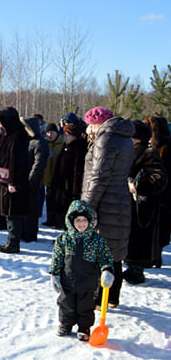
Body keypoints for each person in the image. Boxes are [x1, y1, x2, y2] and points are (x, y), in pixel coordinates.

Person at [81, 106, 134, 308]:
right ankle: (112, 296)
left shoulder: (106, 139)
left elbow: (98, 176)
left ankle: (99, 296)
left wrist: (86, 206)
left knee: (100, 249)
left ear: (97, 124)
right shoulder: (125, 137)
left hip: (104, 202)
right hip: (119, 199)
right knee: (115, 250)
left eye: (90, 126)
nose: (89, 131)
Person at [49, 200, 114, 341]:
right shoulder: (64, 239)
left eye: (84, 220)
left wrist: (107, 270)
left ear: (89, 221)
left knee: (86, 306)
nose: (81, 224)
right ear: (71, 221)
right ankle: (65, 324)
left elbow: (105, 256)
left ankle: (84, 327)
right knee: (66, 303)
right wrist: (54, 274)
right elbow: (57, 257)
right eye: (78, 220)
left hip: (88, 281)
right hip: (68, 280)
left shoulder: (96, 240)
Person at [123, 121, 167, 284]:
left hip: (142, 206)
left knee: (139, 240)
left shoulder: (149, 152)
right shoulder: (127, 150)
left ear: (138, 138)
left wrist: (138, 186)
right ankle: (131, 267)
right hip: (129, 204)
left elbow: (160, 178)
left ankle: (137, 270)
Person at [0, 107, 29, 254]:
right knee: (8, 211)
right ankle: (10, 240)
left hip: (13, 181)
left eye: (1, 121)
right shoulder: (8, 134)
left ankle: (14, 243)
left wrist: (13, 182)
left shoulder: (18, 135)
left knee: (14, 212)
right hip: (4, 179)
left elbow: (17, 161)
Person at [49, 123, 88, 229]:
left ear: (75, 136)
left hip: (70, 188)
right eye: (64, 134)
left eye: (67, 135)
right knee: (64, 213)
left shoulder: (79, 148)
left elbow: (77, 171)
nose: (64, 137)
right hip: (62, 186)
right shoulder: (66, 147)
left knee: (71, 214)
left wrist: (75, 191)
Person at [144, 116, 171, 268]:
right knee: (159, 227)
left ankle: (155, 256)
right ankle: (155, 255)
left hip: (161, 194)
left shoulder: (163, 148)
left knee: (158, 227)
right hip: (162, 194)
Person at [22, 116, 48, 242]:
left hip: (33, 182)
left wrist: (31, 180)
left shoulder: (40, 142)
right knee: (26, 208)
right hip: (26, 180)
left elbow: (38, 164)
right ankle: (25, 230)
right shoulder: (29, 141)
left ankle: (30, 233)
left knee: (32, 209)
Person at [43, 123, 65, 227]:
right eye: (47, 133)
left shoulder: (61, 144)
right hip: (47, 177)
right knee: (49, 199)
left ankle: (58, 221)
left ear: (57, 133)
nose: (49, 135)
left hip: (58, 177)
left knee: (58, 200)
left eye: (52, 132)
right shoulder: (45, 144)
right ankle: (50, 219)